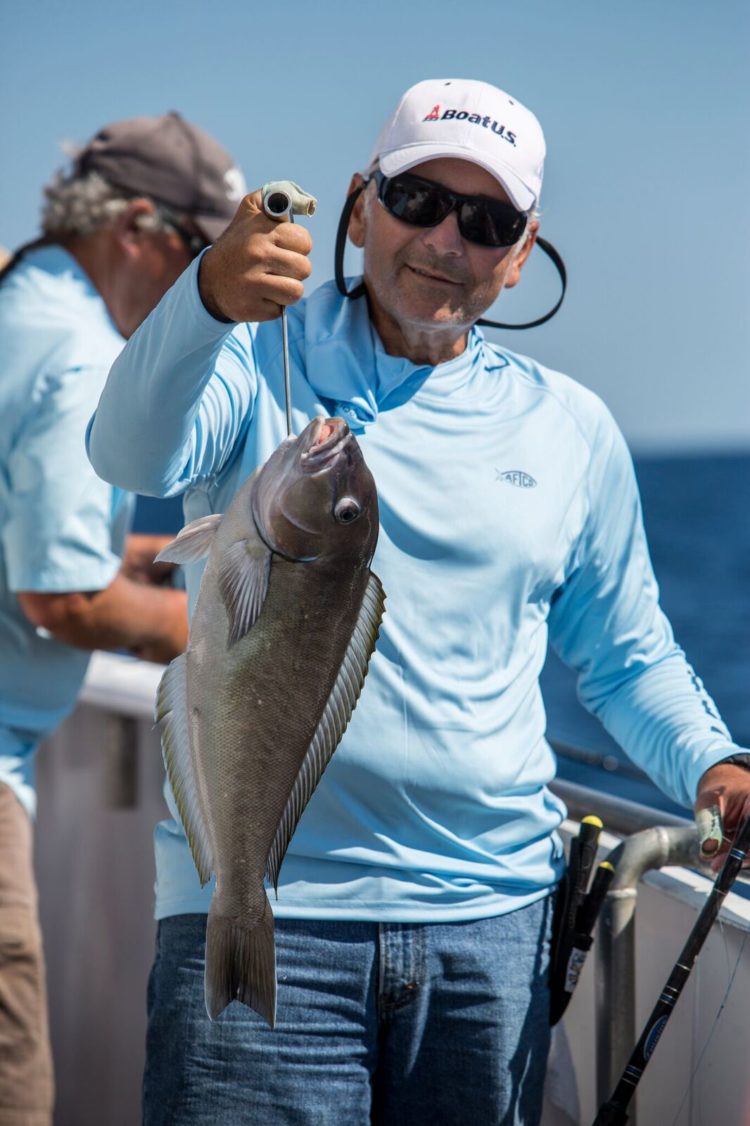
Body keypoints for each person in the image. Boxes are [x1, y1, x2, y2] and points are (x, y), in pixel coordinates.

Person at [87, 79, 750, 1126]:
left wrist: (712, 764)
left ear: (523, 252)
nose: (447, 239)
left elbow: (625, 656)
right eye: (418, 200)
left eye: (487, 223)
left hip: (492, 934)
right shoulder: (259, 351)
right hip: (261, 908)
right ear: (360, 205)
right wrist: (207, 294)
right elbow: (126, 451)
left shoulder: (570, 428)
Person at [0, 111, 245, 1125]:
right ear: (140, 227)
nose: (208, 306)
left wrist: (209, 555)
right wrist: (250, 646)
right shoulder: (75, 354)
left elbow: (35, 538)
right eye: (203, 266)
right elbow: (61, 596)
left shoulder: (19, 299)